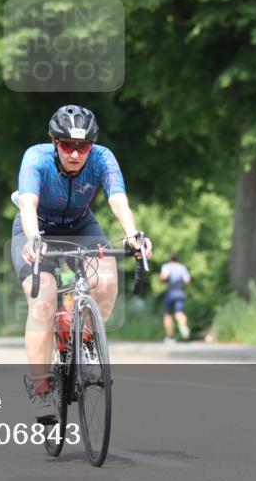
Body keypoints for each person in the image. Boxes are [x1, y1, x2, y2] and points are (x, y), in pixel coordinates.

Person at [12, 105, 152, 422]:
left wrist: (132, 234)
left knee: (106, 279)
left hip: (80, 227)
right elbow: (28, 202)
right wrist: (34, 239)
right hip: (36, 227)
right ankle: (41, 387)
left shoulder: (103, 158)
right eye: (67, 146)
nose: (75, 154)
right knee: (43, 300)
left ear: (92, 145)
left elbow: (117, 198)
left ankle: (87, 341)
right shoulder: (36, 158)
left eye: (83, 146)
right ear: (54, 142)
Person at [160, 253, 192, 343]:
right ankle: (183, 325)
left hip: (171, 292)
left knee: (168, 315)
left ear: (170, 259)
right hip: (180, 292)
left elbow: (163, 277)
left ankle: (170, 337)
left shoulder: (167, 266)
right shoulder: (182, 267)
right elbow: (187, 281)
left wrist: (163, 280)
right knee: (179, 312)